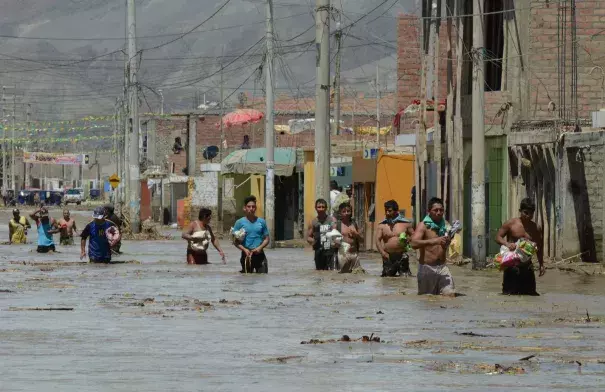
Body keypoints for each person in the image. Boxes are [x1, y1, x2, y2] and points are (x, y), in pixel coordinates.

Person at [495, 198, 544, 296]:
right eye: (525, 213)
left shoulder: (536, 228)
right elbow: (497, 237)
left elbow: (539, 247)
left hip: (527, 267)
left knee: (532, 296)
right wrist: (507, 244)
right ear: (520, 211)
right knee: (509, 296)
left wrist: (541, 264)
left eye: (531, 213)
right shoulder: (511, 224)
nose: (528, 216)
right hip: (512, 267)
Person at [410, 197, 455, 296]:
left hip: (443, 267)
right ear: (429, 211)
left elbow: (445, 244)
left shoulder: (446, 225)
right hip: (427, 268)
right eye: (436, 210)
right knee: (427, 300)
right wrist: (435, 241)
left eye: (441, 210)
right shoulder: (423, 225)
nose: (439, 213)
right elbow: (413, 244)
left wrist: (448, 241)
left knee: (450, 295)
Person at [376, 200, 414, 277]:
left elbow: (414, 236)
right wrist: (383, 253)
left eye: (389, 211)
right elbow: (377, 240)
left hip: (402, 256)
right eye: (386, 211)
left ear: (396, 211)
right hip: (388, 256)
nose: (387, 213)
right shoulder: (382, 225)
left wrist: (408, 241)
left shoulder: (405, 224)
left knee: (405, 279)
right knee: (386, 279)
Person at [232, 196, 270, 273]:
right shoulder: (239, 223)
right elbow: (235, 242)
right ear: (244, 208)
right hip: (246, 255)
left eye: (253, 207)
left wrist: (259, 248)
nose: (251, 209)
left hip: (260, 255)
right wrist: (244, 249)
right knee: (247, 281)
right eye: (249, 207)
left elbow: (267, 239)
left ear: (255, 208)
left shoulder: (261, 222)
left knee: (263, 279)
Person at [307, 199, 337, 270]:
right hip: (319, 252)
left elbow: (336, 235)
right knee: (320, 273)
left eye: (323, 207)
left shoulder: (332, 220)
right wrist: (313, 241)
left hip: (330, 252)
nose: (321, 209)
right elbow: (308, 238)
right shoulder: (313, 222)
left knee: (332, 272)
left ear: (326, 208)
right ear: (315, 208)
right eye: (319, 207)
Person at [335, 202, 364, 273]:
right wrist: (336, 242)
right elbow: (333, 243)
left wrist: (356, 234)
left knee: (357, 276)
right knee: (343, 277)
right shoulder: (337, 225)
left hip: (355, 254)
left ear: (351, 212)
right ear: (340, 213)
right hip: (343, 255)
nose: (346, 213)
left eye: (348, 211)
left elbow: (362, 240)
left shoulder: (354, 224)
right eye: (344, 211)